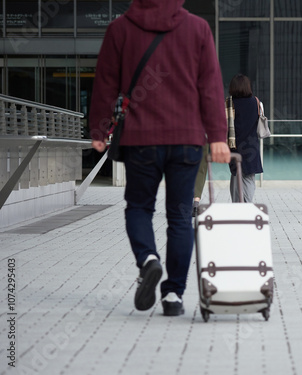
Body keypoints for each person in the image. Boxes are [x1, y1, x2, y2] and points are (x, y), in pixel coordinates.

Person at [89, 0, 230, 315]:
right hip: (188, 140)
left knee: (139, 207)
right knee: (179, 217)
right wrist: (218, 137)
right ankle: (173, 296)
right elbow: (210, 86)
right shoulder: (197, 28)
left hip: (142, 140)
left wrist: (99, 130)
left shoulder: (119, 29)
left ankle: (148, 259)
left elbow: (105, 83)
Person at [227, 74, 263, 203]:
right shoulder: (257, 102)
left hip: (234, 146)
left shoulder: (229, 104)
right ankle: (247, 205)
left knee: (236, 177)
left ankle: (239, 207)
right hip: (251, 146)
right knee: (249, 179)